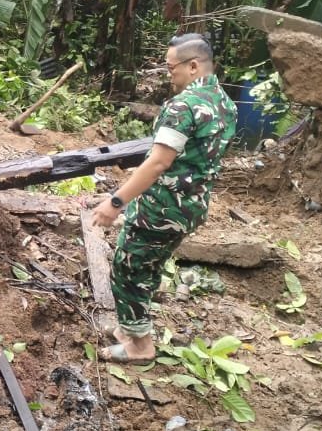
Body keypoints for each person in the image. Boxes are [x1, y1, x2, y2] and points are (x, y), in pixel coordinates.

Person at [89, 33, 237, 361]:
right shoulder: (224, 103)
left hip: (162, 208)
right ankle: (130, 327)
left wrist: (115, 203)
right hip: (192, 206)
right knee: (150, 265)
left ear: (194, 66)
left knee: (129, 267)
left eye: (171, 69)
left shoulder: (183, 105)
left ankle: (139, 347)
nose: (169, 75)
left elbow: (158, 163)